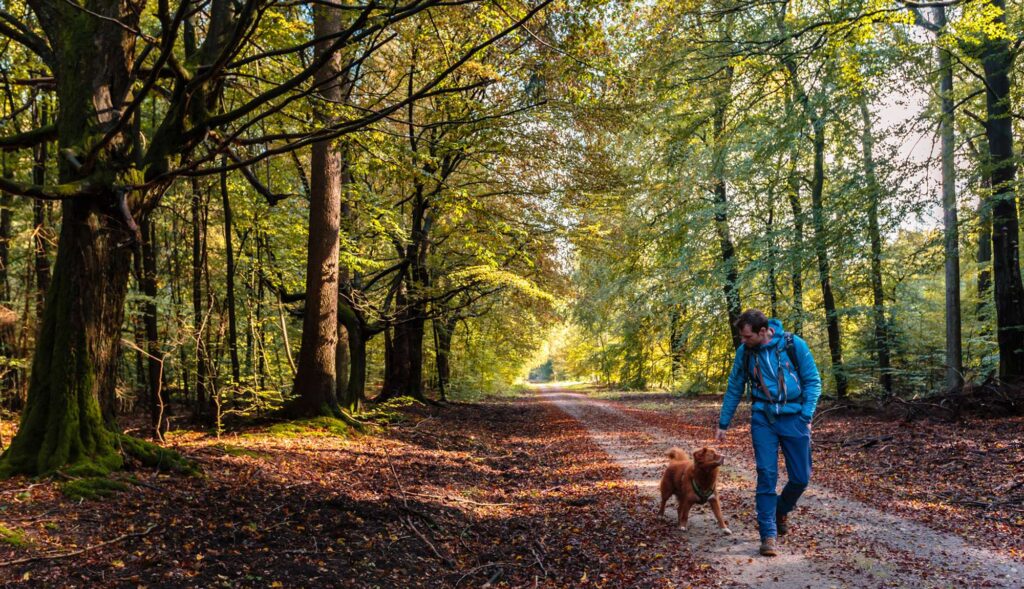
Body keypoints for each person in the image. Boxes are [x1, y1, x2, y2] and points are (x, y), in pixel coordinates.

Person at [715, 309, 821, 557]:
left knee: (801, 478)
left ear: (763, 331)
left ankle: (780, 509)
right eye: (741, 337)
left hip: (795, 417)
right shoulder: (745, 353)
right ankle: (768, 535)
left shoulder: (793, 345)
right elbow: (734, 387)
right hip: (763, 418)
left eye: (747, 336)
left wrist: (806, 416)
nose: (743, 341)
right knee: (766, 473)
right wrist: (723, 423)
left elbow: (813, 381)